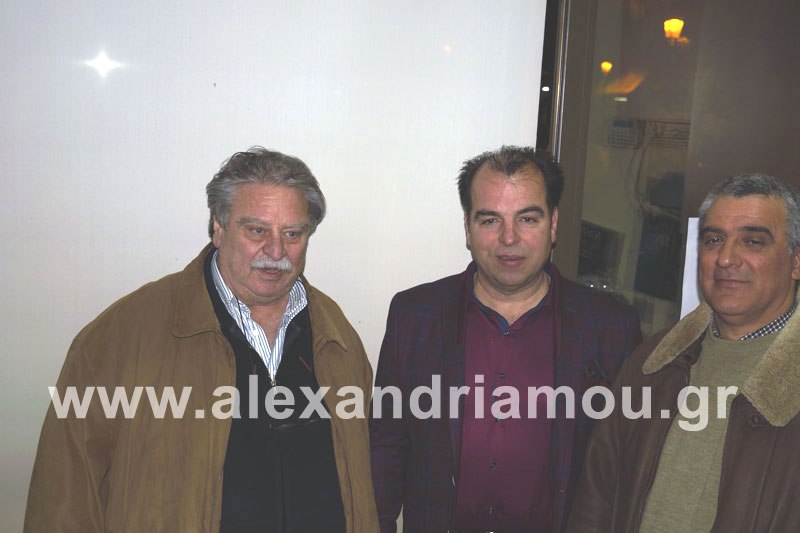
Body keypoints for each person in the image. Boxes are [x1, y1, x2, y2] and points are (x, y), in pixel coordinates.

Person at [24, 147, 378, 532]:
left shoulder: (337, 335)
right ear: (218, 227)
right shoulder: (122, 334)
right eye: (257, 230)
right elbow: (64, 493)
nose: (276, 251)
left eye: (292, 233)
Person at [370, 146, 642, 532]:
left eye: (527, 219)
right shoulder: (414, 316)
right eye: (490, 220)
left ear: (553, 224)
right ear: (468, 228)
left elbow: (626, 466)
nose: (509, 238)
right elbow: (385, 449)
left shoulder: (612, 328)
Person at [567, 173, 800, 532]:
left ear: (796, 261)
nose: (725, 258)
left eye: (752, 241)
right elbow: (596, 499)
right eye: (714, 240)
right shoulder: (651, 362)